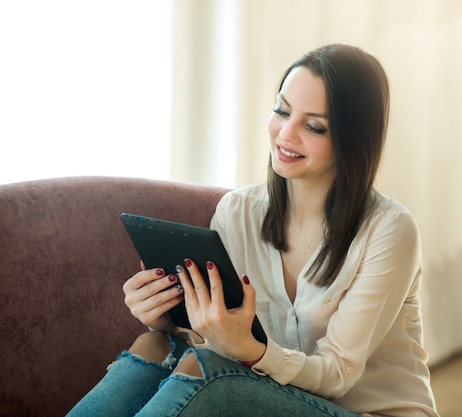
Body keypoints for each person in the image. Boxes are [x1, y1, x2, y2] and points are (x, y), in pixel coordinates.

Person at [67, 44, 439, 417]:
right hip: (275, 395)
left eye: (313, 126)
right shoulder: (237, 213)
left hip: (365, 411)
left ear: (353, 139)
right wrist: (167, 317)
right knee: (154, 345)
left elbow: (338, 375)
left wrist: (253, 352)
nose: (285, 133)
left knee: (206, 372)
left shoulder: (390, 230)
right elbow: (214, 344)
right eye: (282, 110)